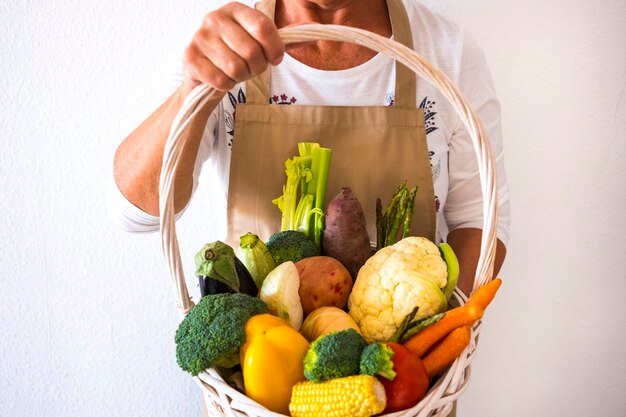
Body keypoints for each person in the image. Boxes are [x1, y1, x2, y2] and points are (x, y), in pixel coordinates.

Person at [108, 0, 510, 414]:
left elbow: (479, 222)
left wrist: (431, 345)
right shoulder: (226, 48)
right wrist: (195, 88)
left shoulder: (447, 53)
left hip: (407, 396)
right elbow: (136, 211)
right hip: (254, 392)